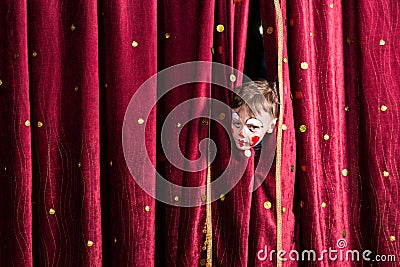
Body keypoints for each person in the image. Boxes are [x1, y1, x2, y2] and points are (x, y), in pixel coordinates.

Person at [230, 80, 279, 156]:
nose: (242, 133)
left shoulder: (269, 155)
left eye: (253, 127)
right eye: (237, 123)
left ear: (271, 126)